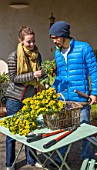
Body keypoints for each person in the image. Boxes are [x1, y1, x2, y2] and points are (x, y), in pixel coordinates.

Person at [49, 21, 97, 167]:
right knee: (63, 130)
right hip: (64, 99)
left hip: (81, 99)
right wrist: (54, 89)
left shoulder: (84, 48)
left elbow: (93, 71)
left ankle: (87, 160)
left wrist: (95, 93)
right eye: (52, 38)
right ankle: (60, 159)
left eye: (56, 37)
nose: (54, 41)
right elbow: (59, 75)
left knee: (85, 131)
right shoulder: (58, 52)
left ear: (64, 35)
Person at [5, 26, 44, 170]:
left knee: (32, 131)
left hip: (31, 99)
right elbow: (13, 78)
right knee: (12, 133)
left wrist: (45, 72)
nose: (32, 44)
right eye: (29, 42)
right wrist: (33, 75)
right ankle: (10, 164)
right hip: (15, 99)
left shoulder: (37, 55)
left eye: (33, 41)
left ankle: (32, 160)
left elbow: (41, 73)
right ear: (21, 41)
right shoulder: (13, 56)